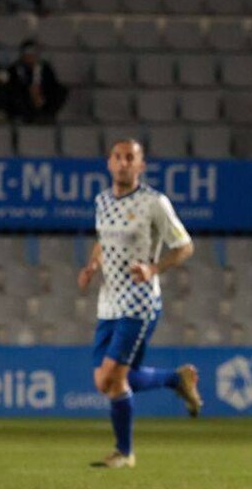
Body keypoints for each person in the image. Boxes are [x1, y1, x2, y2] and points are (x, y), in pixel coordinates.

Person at [79, 139, 203, 469]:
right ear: (109, 163)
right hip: (108, 302)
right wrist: (92, 266)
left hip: (139, 303)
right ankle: (176, 380)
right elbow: (103, 241)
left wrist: (153, 268)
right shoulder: (102, 201)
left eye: (130, 158)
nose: (123, 163)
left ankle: (124, 453)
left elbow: (184, 246)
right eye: (118, 157)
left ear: (141, 165)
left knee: (111, 379)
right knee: (107, 381)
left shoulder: (153, 203)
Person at [5, 39, 67, 123]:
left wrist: (40, 93)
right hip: (23, 102)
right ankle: (23, 117)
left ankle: (46, 116)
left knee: (61, 90)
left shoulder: (45, 68)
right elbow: (10, 88)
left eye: (32, 53)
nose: (30, 56)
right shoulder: (13, 69)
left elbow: (52, 85)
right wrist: (28, 90)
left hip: (42, 99)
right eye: (27, 53)